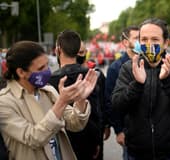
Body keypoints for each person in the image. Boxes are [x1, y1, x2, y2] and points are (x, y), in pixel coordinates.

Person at [112, 18, 170, 159]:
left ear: (166, 43)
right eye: (144, 39)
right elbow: (117, 104)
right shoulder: (129, 68)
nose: (149, 44)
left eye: (155, 39)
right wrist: (137, 85)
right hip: (136, 152)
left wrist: (169, 80)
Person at [0, 40, 97, 160]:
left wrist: (81, 99)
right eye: (41, 68)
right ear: (21, 72)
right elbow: (33, 138)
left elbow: (75, 123)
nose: (47, 71)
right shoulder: (5, 102)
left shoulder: (48, 91)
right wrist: (62, 102)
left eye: (47, 65)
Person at [48, 30, 111, 160]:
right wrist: (97, 141)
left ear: (58, 50)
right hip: (89, 142)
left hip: (63, 143)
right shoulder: (93, 75)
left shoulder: (50, 81)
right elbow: (97, 112)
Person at [105, 25, 139, 160]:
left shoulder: (147, 62)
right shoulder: (115, 68)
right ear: (125, 42)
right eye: (137, 38)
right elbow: (110, 101)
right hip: (128, 132)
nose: (141, 41)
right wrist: (118, 130)